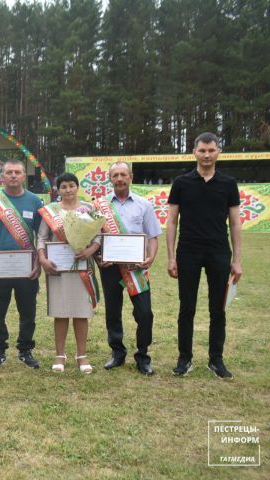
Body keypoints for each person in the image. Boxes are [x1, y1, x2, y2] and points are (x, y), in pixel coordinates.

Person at [166, 132, 242, 379]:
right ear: (194, 152)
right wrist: (170, 256)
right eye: (202, 150)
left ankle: (216, 360)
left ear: (218, 151)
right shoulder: (181, 183)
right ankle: (184, 359)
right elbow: (172, 222)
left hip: (219, 252)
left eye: (211, 150)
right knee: (186, 307)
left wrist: (237, 260)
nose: (207, 155)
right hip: (187, 251)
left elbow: (235, 223)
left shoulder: (228, 183)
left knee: (217, 309)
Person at [95, 162, 162, 376]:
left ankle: (143, 355)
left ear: (130, 176)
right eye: (115, 175)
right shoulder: (99, 206)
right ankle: (117, 352)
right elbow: (93, 238)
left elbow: (152, 236)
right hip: (110, 267)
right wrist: (98, 258)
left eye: (123, 174)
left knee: (145, 313)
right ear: (110, 178)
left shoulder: (144, 205)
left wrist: (150, 258)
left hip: (136, 267)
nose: (119, 178)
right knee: (113, 311)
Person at [0, 159, 43, 370]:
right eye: (9, 172)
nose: (13, 175)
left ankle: (25, 350)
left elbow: (41, 235)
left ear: (24, 176)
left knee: (28, 312)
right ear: (2, 176)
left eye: (17, 172)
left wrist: (38, 262)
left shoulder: (34, 201)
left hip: (27, 268)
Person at [37, 173, 101, 374]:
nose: (68, 190)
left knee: (82, 312)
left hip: (82, 267)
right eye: (63, 186)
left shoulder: (89, 209)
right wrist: (42, 258)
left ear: (77, 187)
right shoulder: (50, 211)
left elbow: (98, 235)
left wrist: (90, 250)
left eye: (71, 185)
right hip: (58, 267)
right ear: (58, 190)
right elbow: (41, 237)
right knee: (61, 312)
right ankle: (59, 355)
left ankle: (82, 355)